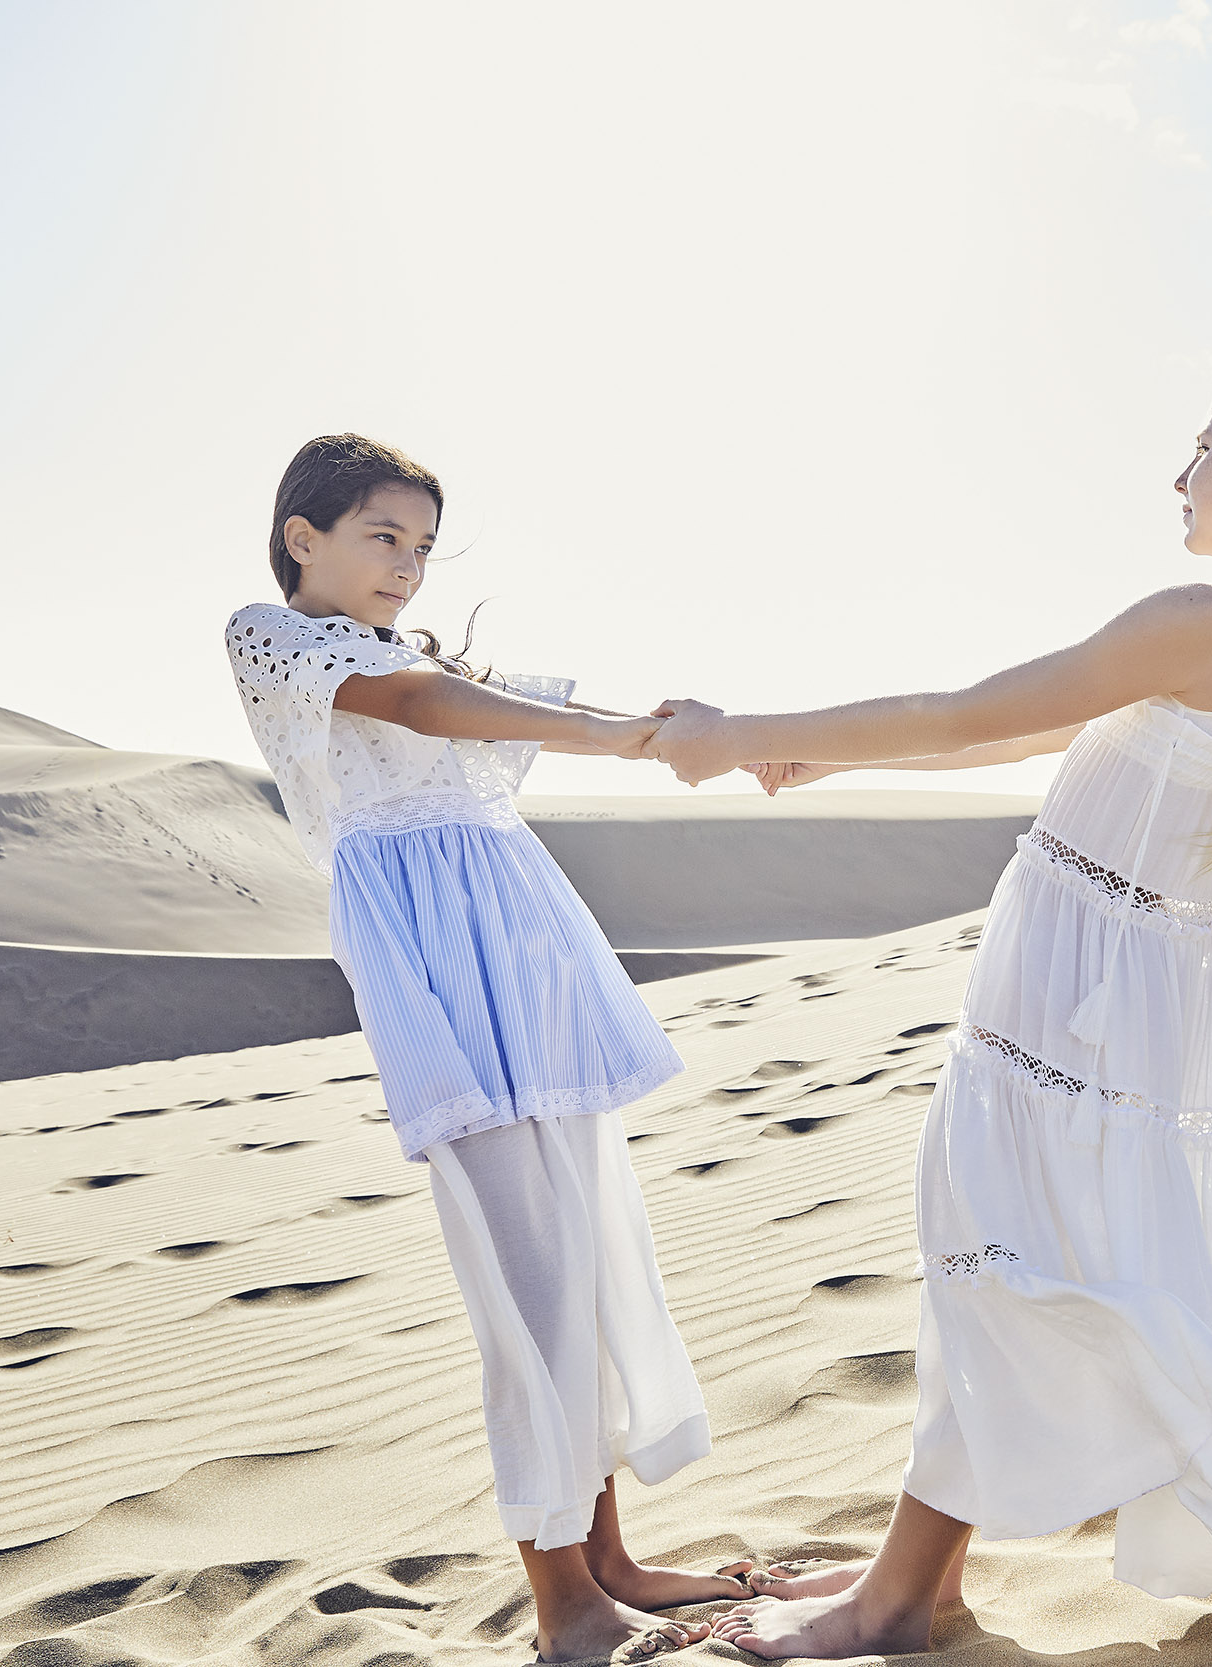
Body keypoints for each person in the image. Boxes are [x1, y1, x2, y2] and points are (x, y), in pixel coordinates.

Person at [647, 355, 1212, 1661]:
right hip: (1107, 989)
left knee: (990, 1253)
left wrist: (732, 728)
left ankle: (898, 1601)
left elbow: (961, 712)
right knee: (992, 1251)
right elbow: (1023, 729)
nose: (1183, 471)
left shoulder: (1210, 618)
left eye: (1205, 442)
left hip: (1075, 995)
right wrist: (809, 751)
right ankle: (913, 1580)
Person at [224, 435, 743, 1664]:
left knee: (588, 1250)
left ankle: (610, 1560)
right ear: (304, 536)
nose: (407, 565)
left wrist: (676, 728)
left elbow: (507, 704)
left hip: (525, 940)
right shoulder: (272, 634)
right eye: (382, 536)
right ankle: (565, 1604)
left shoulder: (420, 649)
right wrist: (625, 741)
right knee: (527, 1279)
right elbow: (417, 709)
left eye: (421, 546)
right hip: (432, 963)